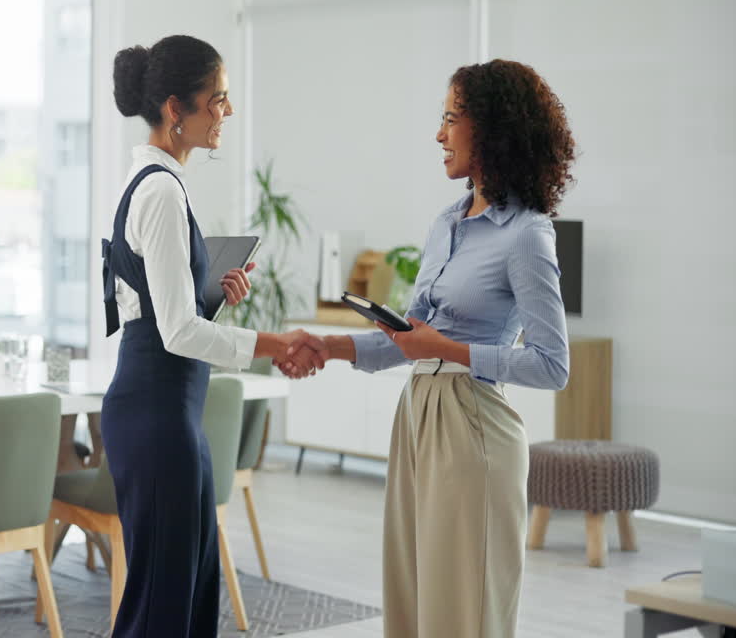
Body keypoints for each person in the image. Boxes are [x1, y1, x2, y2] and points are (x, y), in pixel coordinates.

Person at [279, 59, 575, 638]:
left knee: (463, 609)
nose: (438, 135)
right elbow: (409, 339)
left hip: (474, 429)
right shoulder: (446, 224)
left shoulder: (527, 234)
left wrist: (454, 350)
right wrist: (328, 344)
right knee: (412, 601)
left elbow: (553, 363)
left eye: (450, 119)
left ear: (490, 128)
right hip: (416, 417)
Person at [102, 34, 327, 638]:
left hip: (168, 412)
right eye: (217, 99)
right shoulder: (160, 192)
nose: (225, 112)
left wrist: (209, 296)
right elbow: (173, 332)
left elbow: (157, 310)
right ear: (177, 109)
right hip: (158, 416)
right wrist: (274, 344)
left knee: (184, 588)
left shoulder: (151, 182)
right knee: (164, 602)